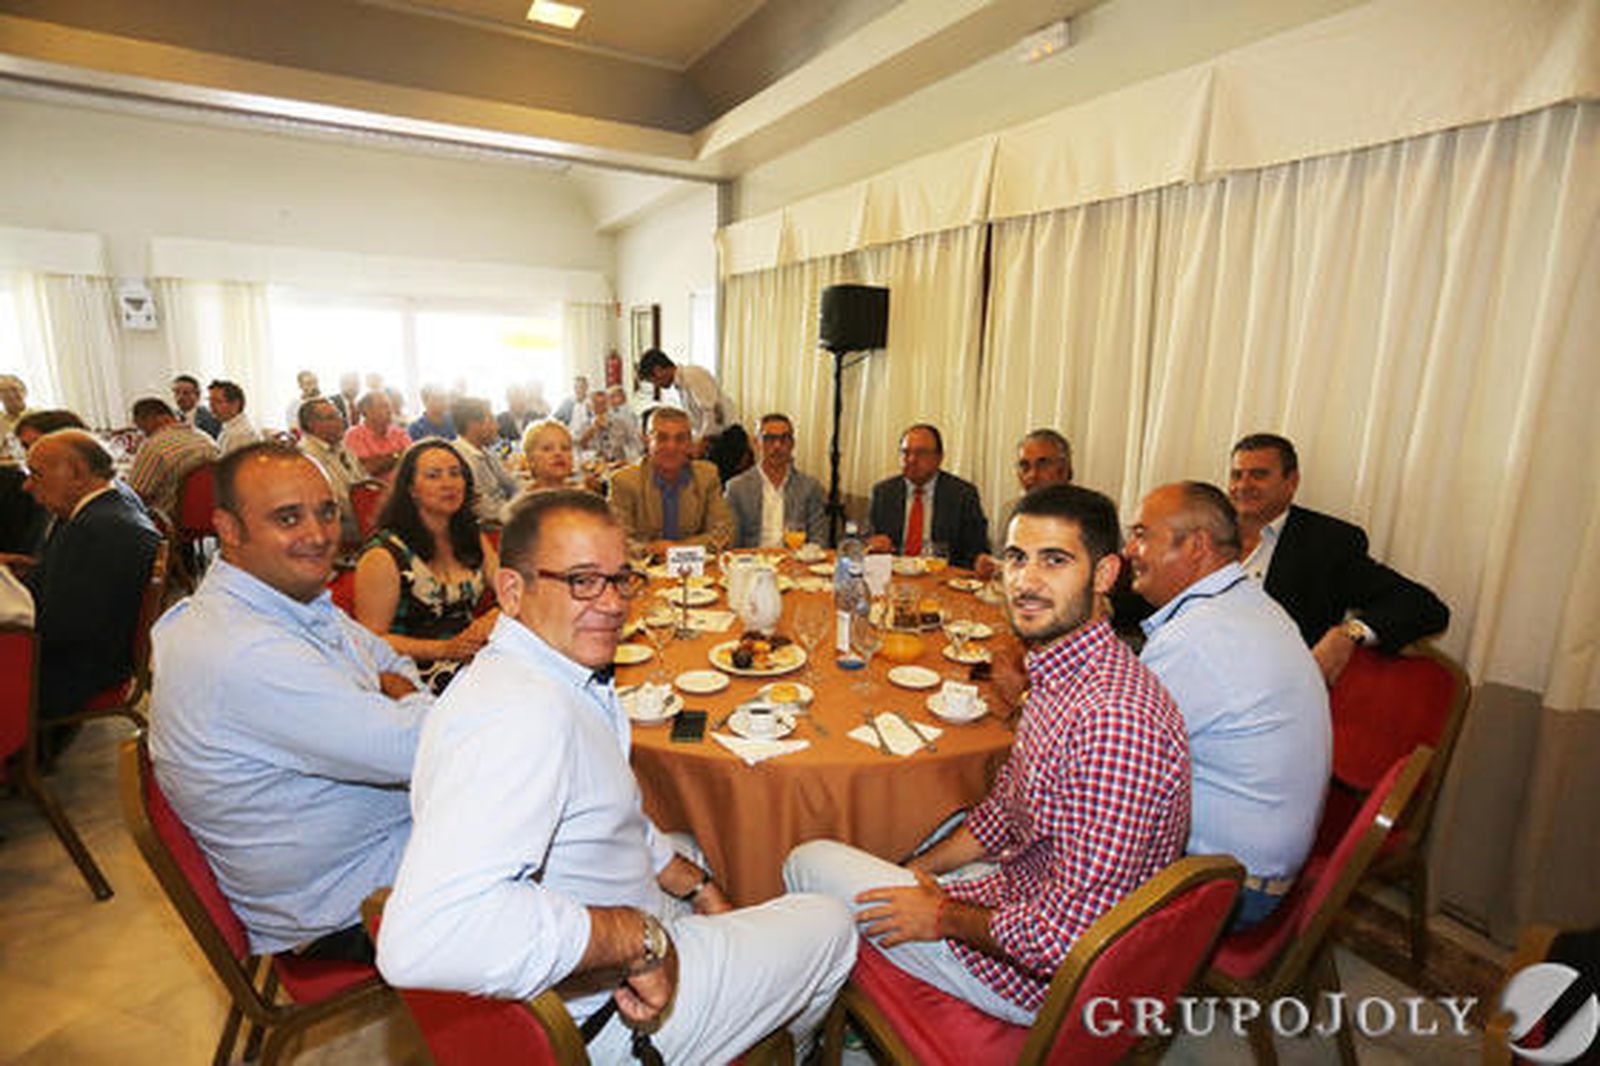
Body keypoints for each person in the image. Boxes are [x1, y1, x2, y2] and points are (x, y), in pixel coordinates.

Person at [376, 490, 856, 1062]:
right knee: (831, 924)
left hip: (600, 954)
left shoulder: (539, 677)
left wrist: (695, 884)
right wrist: (637, 938)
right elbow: (422, 937)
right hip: (609, 1021)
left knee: (694, 850)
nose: (610, 604)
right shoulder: (522, 716)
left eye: (619, 579)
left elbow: (609, 815)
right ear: (511, 590)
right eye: (581, 580)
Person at [785, 483, 1190, 1025]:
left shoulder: (1113, 722)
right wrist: (919, 871)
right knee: (905, 830)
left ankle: (801, 1037)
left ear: (1105, 574)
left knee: (805, 861)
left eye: (1055, 561)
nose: (1025, 581)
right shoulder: (1065, 672)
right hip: (1016, 889)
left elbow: (1061, 941)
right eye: (1017, 558)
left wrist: (943, 914)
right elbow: (1002, 811)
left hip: (1042, 981)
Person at [148, 442, 432, 959]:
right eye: (287, 518)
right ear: (228, 530)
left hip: (371, 853)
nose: (319, 535)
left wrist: (396, 695)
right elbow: (421, 750)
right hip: (349, 904)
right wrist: (403, 702)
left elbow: (388, 659)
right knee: (582, 828)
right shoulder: (245, 649)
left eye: (326, 511)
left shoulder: (277, 599)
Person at [1126, 481, 1330, 929]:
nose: (1129, 550)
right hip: (1268, 863)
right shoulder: (1251, 604)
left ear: (1197, 545)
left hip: (1227, 886)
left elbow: (1109, 759)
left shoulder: (1195, 639)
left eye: (1142, 535)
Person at [1228, 432, 1450, 683]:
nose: (1243, 486)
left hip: (1274, 689)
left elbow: (1422, 606)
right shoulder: (1205, 532)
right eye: (1236, 475)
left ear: (1291, 481)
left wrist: (1349, 633)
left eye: (1259, 475)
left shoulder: (1326, 544)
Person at [7, 430, 160, 733]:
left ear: (76, 473)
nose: (26, 486)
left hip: (70, 674)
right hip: (88, 660)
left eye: (35, 475)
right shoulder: (106, 512)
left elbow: (64, 627)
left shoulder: (97, 531)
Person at [354, 440, 499, 695]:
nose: (448, 483)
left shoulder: (470, 536)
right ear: (411, 489)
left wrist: (490, 618)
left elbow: (512, 595)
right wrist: (443, 649)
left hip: (470, 658)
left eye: (455, 474)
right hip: (408, 669)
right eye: (434, 476)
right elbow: (370, 640)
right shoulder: (384, 554)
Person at [608, 407, 733, 554]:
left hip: (696, 572)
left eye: (680, 439)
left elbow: (723, 533)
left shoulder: (707, 476)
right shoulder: (624, 482)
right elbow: (615, 540)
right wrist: (649, 549)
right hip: (644, 570)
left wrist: (676, 550)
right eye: (662, 438)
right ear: (646, 439)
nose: (671, 447)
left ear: (689, 443)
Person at [866, 423, 990, 569]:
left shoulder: (963, 494)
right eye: (905, 452)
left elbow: (977, 551)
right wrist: (873, 545)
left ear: (939, 458)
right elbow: (868, 540)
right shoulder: (883, 493)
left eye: (920, 453)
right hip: (895, 577)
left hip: (941, 578)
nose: (911, 459)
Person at [637, 349, 748, 483]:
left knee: (705, 483)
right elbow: (698, 422)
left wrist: (700, 444)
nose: (657, 386)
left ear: (658, 370)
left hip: (727, 438)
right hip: (715, 439)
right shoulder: (681, 385)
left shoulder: (692, 375)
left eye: (653, 381)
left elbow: (713, 414)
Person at [974, 429, 1073, 579]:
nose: (1032, 475)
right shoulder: (1010, 511)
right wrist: (991, 566)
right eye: (1025, 466)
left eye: (1043, 464)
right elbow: (1003, 563)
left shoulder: (1091, 513)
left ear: (1065, 469)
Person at [723, 413, 827, 549]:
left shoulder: (810, 487)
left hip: (794, 563)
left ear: (792, 444)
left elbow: (819, 540)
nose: (777, 446)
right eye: (769, 439)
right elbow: (731, 542)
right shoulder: (737, 488)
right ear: (756, 443)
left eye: (784, 438)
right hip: (751, 564)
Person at [0, 410, 87, 555]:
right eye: (25, 448)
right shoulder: (48, 495)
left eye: (34, 446)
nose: (29, 456)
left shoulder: (94, 511)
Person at [297, 396, 375, 548]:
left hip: (359, 515)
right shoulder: (307, 456)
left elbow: (363, 480)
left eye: (339, 415)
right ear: (312, 425)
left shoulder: (341, 446)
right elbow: (338, 501)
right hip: (334, 523)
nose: (341, 421)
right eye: (332, 418)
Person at [127, 397, 219, 519]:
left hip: (172, 519)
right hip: (213, 511)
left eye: (141, 425)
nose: (142, 432)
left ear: (158, 418)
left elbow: (136, 494)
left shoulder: (154, 445)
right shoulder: (205, 438)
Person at [451, 396, 520, 524]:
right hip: (492, 525)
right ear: (473, 424)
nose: (497, 426)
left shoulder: (485, 451)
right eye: (492, 420)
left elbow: (510, 483)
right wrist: (520, 513)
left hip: (506, 512)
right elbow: (482, 509)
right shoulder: (460, 459)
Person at [344, 390, 411, 482]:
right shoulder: (354, 435)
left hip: (401, 488)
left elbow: (411, 461)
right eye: (383, 406)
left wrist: (380, 460)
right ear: (367, 411)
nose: (390, 411)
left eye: (389, 406)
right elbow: (367, 469)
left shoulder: (400, 433)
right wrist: (397, 455)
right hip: (371, 490)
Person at [574, 389, 632, 465]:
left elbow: (631, 443)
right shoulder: (583, 425)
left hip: (618, 465)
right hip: (594, 466)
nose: (601, 407)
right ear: (590, 406)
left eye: (603, 403)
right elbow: (577, 446)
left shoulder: (621, 423)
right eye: (597, 403)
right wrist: (592, 429)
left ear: (609, 404)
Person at [521, 418, 579, 491]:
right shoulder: (527, 500)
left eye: (565, 448)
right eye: (547, 449)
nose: (558, 453)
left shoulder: (582, 495)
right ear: (530, 459)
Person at [208, 379, 261, 455]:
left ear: (235, 404)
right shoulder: (229, 426)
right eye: (210, 401)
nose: (211, 406)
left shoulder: (239, 435)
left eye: (217, 401)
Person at [172, 374, 222, 438]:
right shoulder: (171, 418)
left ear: (197, 395)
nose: (180, 397)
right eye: (177, 392)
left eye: (186, 393)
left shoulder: (211, 418)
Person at [1, 374, 34, 462]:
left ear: (24, 392)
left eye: (14, 389)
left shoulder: (38, 416)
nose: (10, 395)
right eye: (4, 391)